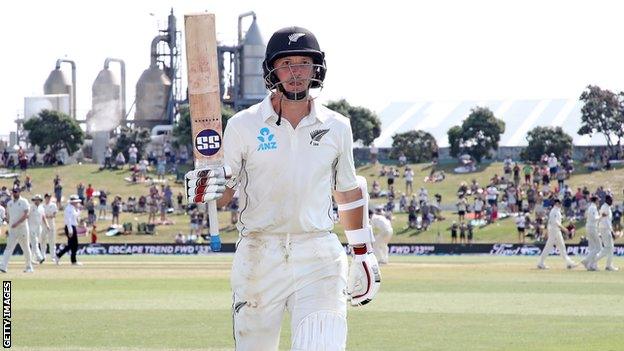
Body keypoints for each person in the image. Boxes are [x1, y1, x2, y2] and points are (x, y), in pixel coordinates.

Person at [185, 26, 380, 350]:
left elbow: (347, 190)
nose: (295, 73)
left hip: (318, 253)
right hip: (260, 255)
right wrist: (208, 188)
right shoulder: (242, 125)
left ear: (316, 69)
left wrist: (363, 253)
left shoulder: (336, 126)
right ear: (271, 70)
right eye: (286, 64)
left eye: (303, 63)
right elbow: (225, 196)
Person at [0, 188, 34, 273]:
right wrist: (6, 221)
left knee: (25, 247)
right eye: (13, 192)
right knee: (9, 247)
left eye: (16, 192)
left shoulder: (24, 201)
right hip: (12, 230)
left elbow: (26, 214)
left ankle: (29, 267)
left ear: (19, 192)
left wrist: (17, 223)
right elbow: (8, 217)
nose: (14, 193)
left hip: (22, 228)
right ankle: (3, 266)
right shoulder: (10, 203)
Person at [537, 199, 577, 270]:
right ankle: (541, 263)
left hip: (556, 231)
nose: (561, 205)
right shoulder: (554, 211)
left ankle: (569, 263)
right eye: (560, 203)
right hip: (554, 231)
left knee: (561, 247)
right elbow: (556, 222)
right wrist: (564, 229)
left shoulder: (557, 211)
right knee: (549, 247)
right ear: (556, 203)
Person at [56, 195, 82, 266]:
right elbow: (69, 220)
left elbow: (75, 216)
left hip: (72, 227)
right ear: (73, 202)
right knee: (72, 245)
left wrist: (79, 210)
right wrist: (70, 230)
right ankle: (58, 256)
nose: (77, 203)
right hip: (69, 227)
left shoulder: (72, 208)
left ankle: (73, 261)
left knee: (73, 245)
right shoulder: (68, 209)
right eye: (76, 202)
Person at [595, 194, 618, 271]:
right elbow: (606, 222)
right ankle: (594, 260)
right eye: (611, 200)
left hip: (605, 229)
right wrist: (612, 232)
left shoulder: (607, 207)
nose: (612, 201)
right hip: (605, 229)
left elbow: (608, 220)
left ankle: (608, 265)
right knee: (609, 248)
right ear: (607, 200)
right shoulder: (605, 207)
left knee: (609, 248)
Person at [27, 194, 47, 264]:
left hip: (39, 228)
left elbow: (43, 216)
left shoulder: (41, 208)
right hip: (31, 227)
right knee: (34, 243)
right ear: (34, 200)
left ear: (40, 200)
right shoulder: (30, 207)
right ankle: (40, 257)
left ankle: (31, 259)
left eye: (38, 199)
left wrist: (47, 225)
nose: (37, 201)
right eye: (36, 199)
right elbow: (26, 216)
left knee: (34, 244)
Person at [41, 194, 58, 262]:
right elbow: (42, 216)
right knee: (43, 240)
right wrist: (46, 216)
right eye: (47, 197)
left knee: (52, 241)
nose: (48, 199)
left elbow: (54, 215)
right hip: (43, 225)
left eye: (49, 197)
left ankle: (53, 256)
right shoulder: (42, 206)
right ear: (45, 198)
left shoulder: (53, 205)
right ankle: (42, 256)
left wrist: (47, 216)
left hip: (51, 225)